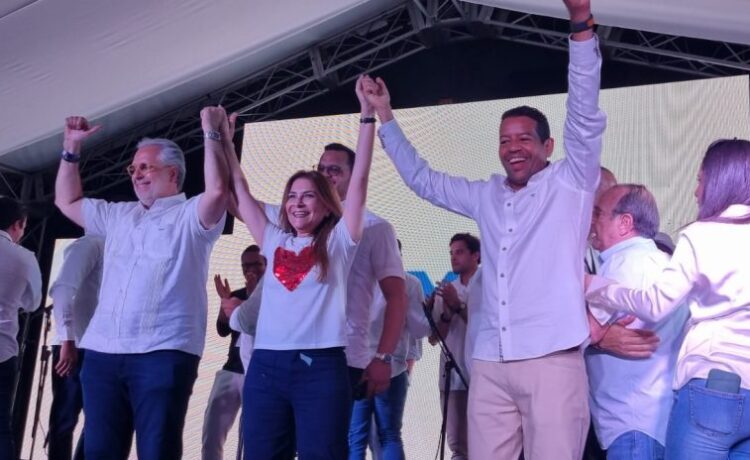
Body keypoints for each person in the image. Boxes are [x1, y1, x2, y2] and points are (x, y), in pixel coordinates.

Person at [362, 0, 605, 456]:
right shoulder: (485, 194)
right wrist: (385, 116)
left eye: (524, 139)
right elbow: (423, 180)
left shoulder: (569, 182)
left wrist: (580, 26)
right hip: (490, 361)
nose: (513, 148)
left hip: (551, 357)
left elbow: (585, 114)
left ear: (548, 145)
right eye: (504, 140)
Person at [54, 106, 231, 459]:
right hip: (103, 351)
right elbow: (67, 200)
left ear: (173, 173)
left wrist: (212, 133)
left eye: (145, 167)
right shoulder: (118, 214)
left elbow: (217, 191)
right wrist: (71, 148)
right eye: (133, 169)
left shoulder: (190, 215)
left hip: (163, 350)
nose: (136, 175)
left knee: (157, 450)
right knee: (99, 452)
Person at [223, 75, 375, 459]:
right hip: (266, 367)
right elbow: (239, 188)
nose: (297, 203)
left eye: (308, 196)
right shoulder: (274, 239)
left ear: (326, 203)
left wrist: (367, 116)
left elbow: (359, 179)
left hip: (320, 368)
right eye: (291, 196)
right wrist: (225, 141)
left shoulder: (339, 241)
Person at [586, 138, 750, 458]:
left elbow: (655, 304)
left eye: (701, 180)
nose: (696, 192)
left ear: (721, 180)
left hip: (714, 386)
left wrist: (593, 285)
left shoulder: (703, 234)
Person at [586, 185, 688, 458]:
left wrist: (601, 338)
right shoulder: (664, 262)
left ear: (625, 222)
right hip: (654, 419)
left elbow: (583, 331)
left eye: (598, 214)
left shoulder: (624, 264)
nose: (591, 222)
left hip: (630, 424)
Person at [351, 240, 430, 460]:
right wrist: (433, 314)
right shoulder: (409, 283)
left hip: (357, 367)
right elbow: (420, 329)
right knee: (390, 435)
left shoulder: (355, 279)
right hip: (391, 367)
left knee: (355, 437)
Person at [202, 245, 266, 460]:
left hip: (257, 372)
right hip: (231, 368)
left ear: (266, 265)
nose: (250, 269)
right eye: (245, 266)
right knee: (212, 432)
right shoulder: (237, 294)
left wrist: (254, 294)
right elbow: (222, 330)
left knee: (250, 436)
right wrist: (224, 303)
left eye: (256, 264)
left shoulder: (275, 295)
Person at [47, 235, 105, 460]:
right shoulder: (90, 244)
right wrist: (67, 340)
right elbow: (62, 290)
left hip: (103, 348)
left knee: (99, 420)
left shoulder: (123, 247)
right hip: (74, 345)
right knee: (64, 419)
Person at [428, 233, 481, 460]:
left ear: (476, 255)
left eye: (459, 252)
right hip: (453, 378)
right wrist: (447, 315)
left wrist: (459, 306)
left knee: (488, 443)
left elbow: (487, 329)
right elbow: (434, 339)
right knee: (458, 446)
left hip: (485, 377)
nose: (453, 257)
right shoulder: (448, 289)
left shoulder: (488, 286)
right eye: (451, 253)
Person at [0, 196, 42, 459]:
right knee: (1, 428)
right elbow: (33, 302)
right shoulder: (24, 258)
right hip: (2, 351)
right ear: (18, 224)